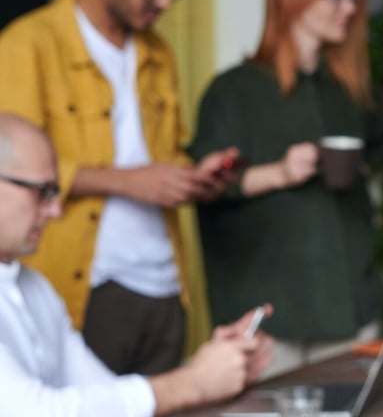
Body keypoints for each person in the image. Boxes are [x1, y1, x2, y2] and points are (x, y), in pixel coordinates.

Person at [0, 0, 240, 375]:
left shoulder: (158, 53)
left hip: (166, 285)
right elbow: (13, 172)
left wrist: (192, 178)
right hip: (87, 286)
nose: (165, 2)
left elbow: (161, 154)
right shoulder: (28, 45)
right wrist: (128, 182)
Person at [188, 0, 383, 378]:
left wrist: (360, 167)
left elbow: (381, 148)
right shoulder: (235, 90)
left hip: (350, 299)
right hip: (272, 310)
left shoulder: (348, 90)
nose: (349, 8)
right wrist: (279, 172)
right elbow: (204, 184)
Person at [0, 113, 273, 416]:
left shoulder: (36, 290)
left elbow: (99, 393)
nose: (56, 209)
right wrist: (193, 383)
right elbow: (34, 412)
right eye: (43, 192)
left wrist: (213, 371)